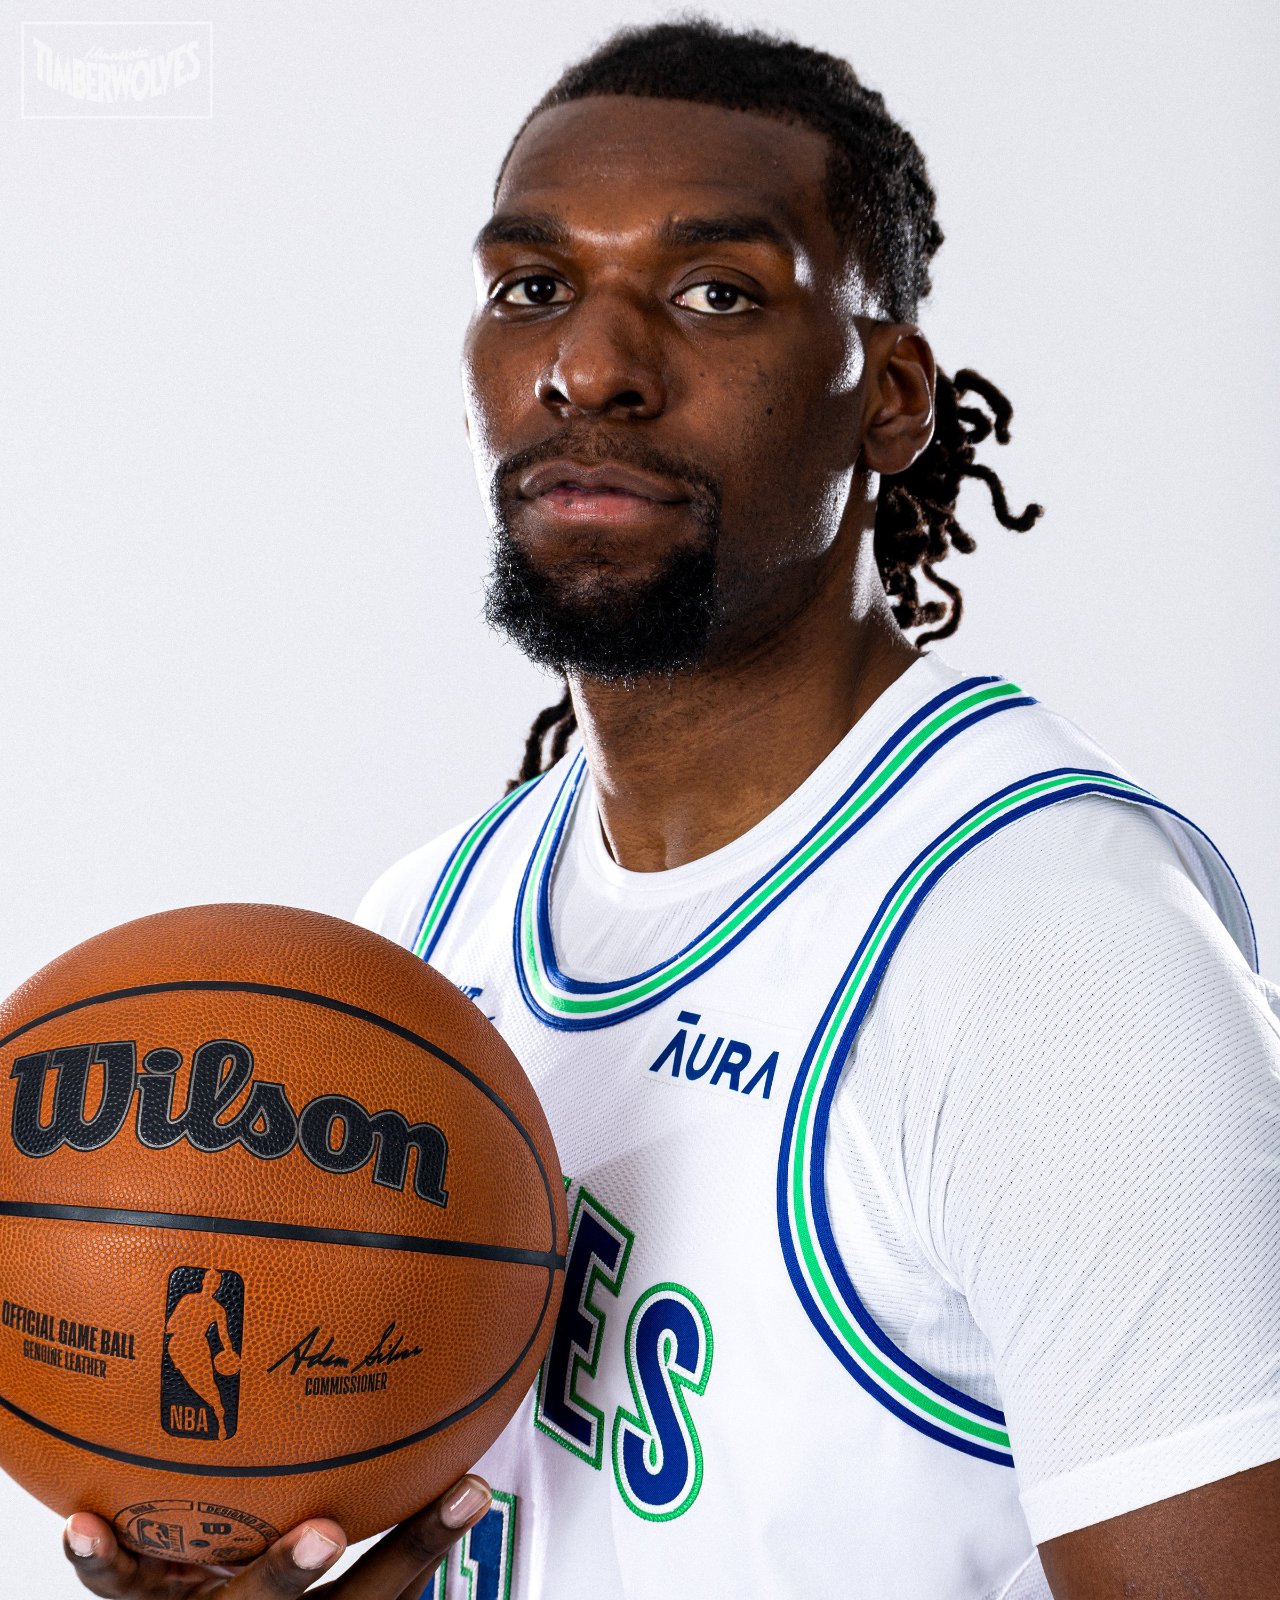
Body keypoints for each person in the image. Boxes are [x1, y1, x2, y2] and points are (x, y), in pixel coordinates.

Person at [63, 18, 1280, 1600]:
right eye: (532, 288)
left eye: (716, 292)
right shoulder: (424, 938)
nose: (593, 367)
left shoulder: (1051, 948)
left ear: (891, 397)